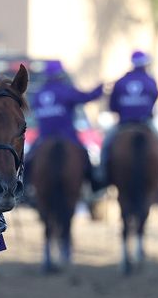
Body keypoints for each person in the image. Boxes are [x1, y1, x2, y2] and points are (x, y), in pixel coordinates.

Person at [25, 60, 104, 196]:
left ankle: (24, 187)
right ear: (60, 74)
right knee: (85, 155)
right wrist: (99, 90)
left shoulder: (38, 95)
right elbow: (85, 97)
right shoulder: (66, 90)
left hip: (44, 137)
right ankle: (94, 183)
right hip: (67, 136)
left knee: (29, 159)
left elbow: (31, 112)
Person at [100, 50, 158, 191]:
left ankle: (101, 174)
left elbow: (112, 106)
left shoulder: (121, 82)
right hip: (145, 123)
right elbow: (154, 98)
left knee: (106, 145)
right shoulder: (150, 81)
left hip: (124, 124)